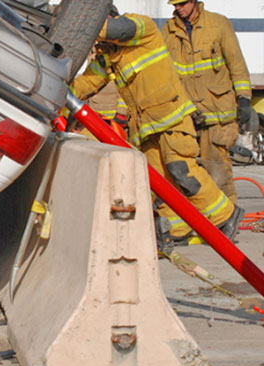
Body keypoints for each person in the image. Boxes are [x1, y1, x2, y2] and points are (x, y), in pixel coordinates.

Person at [69, 8, 244, 250]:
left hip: (173, 119)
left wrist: (75, 22)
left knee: (181, 170)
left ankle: (226, 215)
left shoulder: (143, 28)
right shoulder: (109, 55)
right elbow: (87, 82)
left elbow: (115, 29)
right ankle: (178, 228)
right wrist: (59, 89)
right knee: (160, 183)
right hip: (147, 128)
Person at [161, 0, 253, 204]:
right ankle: (196, 219)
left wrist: (244, 99)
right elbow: (167, 75)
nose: (178, 8)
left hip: (217, 116)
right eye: (175, 5)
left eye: (182, 3)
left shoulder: (218, 24)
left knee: (218, 173)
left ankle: (226, 218)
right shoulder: (168, 31)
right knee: (185, 176)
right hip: (187, 117)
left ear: (194, 1)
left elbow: (236, 64)